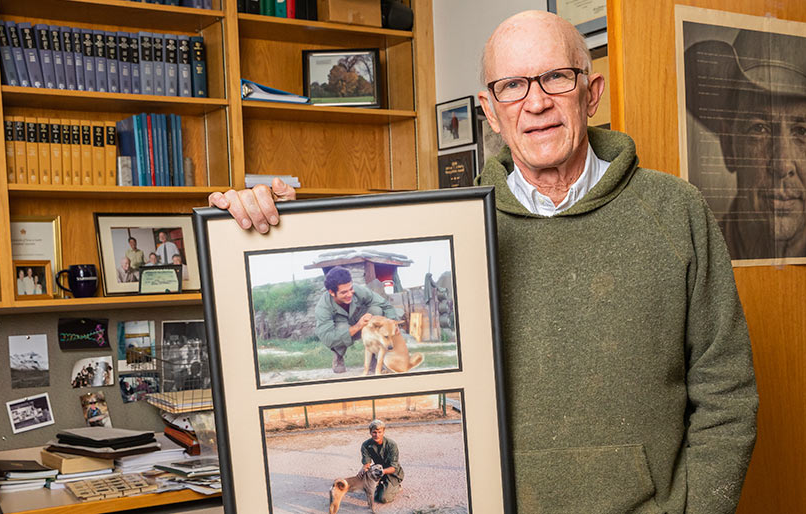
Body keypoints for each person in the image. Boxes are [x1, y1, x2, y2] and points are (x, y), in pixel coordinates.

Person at [210, 11, 757, 513]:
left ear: (591, 94)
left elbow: (726, 393)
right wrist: (261, 222)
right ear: (489, 110)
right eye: (512, 86)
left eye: (556, 78)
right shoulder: (454, 232)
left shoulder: (675, 211)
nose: (535, 102)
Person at [684, 30, 806, 260]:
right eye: (759, 128)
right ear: (728, 145)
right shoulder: (700, 262)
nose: (783, 166)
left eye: (800, 131)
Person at [312, 267, 399, 374]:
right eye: (344, 292)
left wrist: (392, 324)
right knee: (342, 328)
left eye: (350, 289)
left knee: (376, 310)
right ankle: (339, 355)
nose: (349, 294)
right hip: (343, 327)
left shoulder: (359, 290)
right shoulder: (322, 308)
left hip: (361, 320)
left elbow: (385, 305)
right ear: (331, 292)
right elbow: (327, 338)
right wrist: (358, 326)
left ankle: (372, 358)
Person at [360, 419, 402, 504]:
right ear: (370, 432)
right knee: (370, 493)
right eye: (374, 432)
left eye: (379, 432)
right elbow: (367, 462)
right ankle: (381, 485)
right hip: (378, 470)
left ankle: (397, 486)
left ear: (383, 432)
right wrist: (364, 468)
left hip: (392, 473)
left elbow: (393, 467)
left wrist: (382, 472)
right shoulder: (366, 445)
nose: (377, 435)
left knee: (383, 498)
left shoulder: (391, 444)